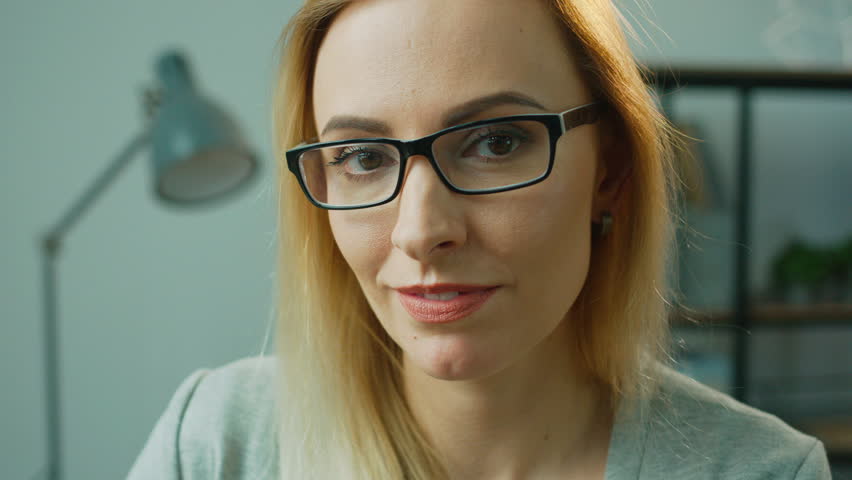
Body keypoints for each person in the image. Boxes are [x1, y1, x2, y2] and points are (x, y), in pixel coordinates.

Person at [127, 0, 832, 478]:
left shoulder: (761, 470)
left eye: (495, 142)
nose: (421, 231)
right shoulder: (217, 445)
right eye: (363, 157)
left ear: (610, 170)